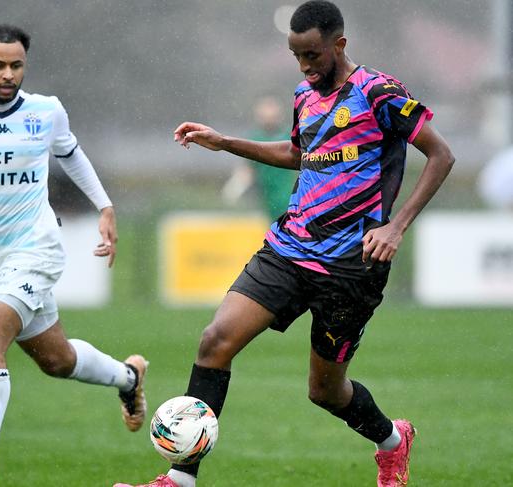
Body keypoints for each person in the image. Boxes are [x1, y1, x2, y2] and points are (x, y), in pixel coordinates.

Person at [114, 1, 454, 486]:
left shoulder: (379, 92)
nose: (305, 66)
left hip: (350, 266)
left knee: (325, 391)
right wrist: (228, 142)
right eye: (296, 56)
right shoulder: (304, 94)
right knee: (215, 341)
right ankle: (180, 479)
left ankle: (392, 442)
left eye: (312, 54)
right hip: (291, 247)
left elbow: (441, 155)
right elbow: (299, 153)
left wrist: (396, 226)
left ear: (339, 44)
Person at [0, 24, 148, 487]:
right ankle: (128, 378)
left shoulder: (47, 111)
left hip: (39, 248)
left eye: (16, 65)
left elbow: (72, 156)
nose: (9, 74)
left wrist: (105, 206)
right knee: (57, 360)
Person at [221, 95, 296, 220]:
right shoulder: (255, 138)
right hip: (268, 198)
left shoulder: (290, 135)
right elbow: (248, 170)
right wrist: (234, 188)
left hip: (290, 196)